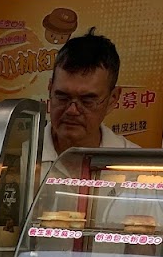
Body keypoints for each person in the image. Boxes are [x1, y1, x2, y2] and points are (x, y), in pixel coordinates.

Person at [42, 28, 140, 174]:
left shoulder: (134, 164)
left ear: (112, 99)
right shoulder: (19, 156)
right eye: (62, 97)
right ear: (50, 89)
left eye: (87, 101)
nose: (72, 110)